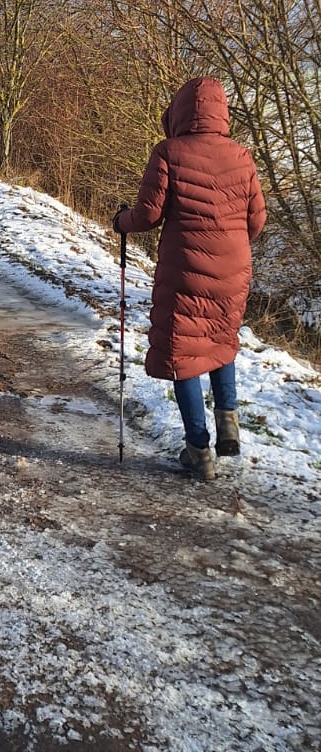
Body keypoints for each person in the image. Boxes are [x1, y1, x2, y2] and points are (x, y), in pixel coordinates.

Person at [113, 76, 266, 482]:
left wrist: (120, 222)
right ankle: (228, 422)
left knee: (184, 354)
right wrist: (230, 243)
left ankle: (199, 450)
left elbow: (147, 215)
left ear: (179, 112)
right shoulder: (242, 156)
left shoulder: (169, 152)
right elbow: (257, 220)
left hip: (186, 271)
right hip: (233, 269)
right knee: (220, 338)